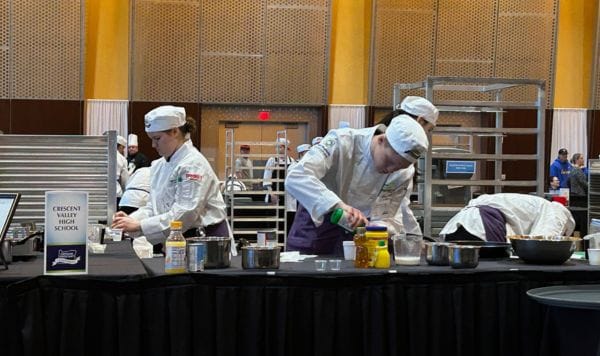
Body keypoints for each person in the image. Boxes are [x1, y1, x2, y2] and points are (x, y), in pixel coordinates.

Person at [285, 117, 429, 255]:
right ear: (381, 140)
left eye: (399, 167)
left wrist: (378, 227)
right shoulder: (342, 141)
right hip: (316, 224)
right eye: (389, 161)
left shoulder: (404, 172)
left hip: (359, 231)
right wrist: (339, 206)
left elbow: (390, 213)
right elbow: (296, 177)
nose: (391, 169)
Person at [112, 105, 229, 248]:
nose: (153, 145)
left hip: (204, 240)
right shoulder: (159, 165)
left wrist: (140, 225)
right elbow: (153, 207)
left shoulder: (193, 164)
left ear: (175, 132)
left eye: (157, 138)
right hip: (177, 239)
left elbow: (185, 212)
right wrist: (129, 220)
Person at [376, 96, 439, 235]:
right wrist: (415, 237)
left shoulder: (379, 138)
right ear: (420, 121)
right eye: (429, 129)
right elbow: (400, 206)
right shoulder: (400, 151)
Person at [440, 193, 575, 242]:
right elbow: (543, 243)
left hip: (458, 224)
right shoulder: (557, 211)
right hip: (485, 224)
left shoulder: (538, 204)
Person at [116, 135, 130, 206]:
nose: (123, 150)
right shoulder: (122, 159)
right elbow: (125, 180)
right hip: (116, 193)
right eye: (123, 148)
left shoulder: (103, 154)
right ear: (120, 146)